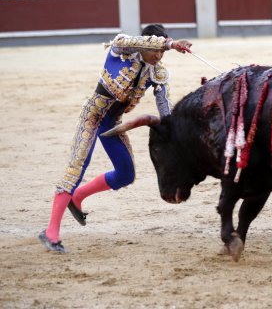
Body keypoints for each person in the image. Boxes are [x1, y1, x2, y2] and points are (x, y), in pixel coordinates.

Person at [38, 24, 193, 254]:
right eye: (156, 50)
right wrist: (170, 43)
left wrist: (175, 133)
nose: (159, 56)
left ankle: (78, 197)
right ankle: (51, 232)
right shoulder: (122, 47)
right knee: (76, 168)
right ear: (144, 44)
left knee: (126, 174)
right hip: (93, 117)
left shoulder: (157, 73)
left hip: (112, 123)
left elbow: (165, 108)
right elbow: (130, 42)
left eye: (163, 53)